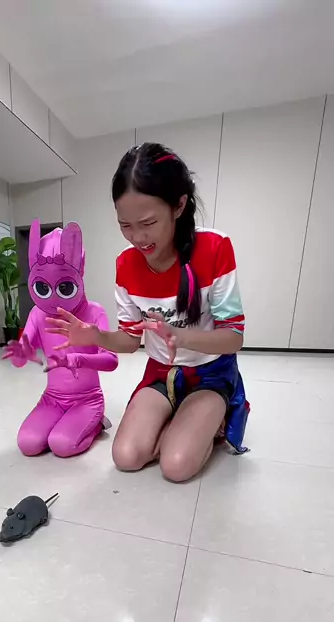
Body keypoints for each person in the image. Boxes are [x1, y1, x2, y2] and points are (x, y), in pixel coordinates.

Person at [46, 143, 249, 481]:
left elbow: (233, 338)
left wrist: (181, 336)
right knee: (125, 457)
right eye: (125, 225)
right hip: (161, 374)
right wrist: (95, 336)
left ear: (179, 205)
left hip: (211, 373)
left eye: (148, 222)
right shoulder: (126, 264)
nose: (138, 237)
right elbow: (129, 340)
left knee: (176, 466)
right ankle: (182, 422)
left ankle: (216, 416)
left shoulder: (215, 248)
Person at [3, 219, 118, 458]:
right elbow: (20, 360)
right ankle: (63, 422)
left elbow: (111, 361)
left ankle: (96, 424)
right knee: (28, 444)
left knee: (61, 445)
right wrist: (21, 353)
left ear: (79, 273)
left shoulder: (94, 312)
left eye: (64, 287)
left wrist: (78, 359)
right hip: (52, 398)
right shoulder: (38, 314)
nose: (53, 298)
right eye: (43, 288)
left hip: (87, 399)